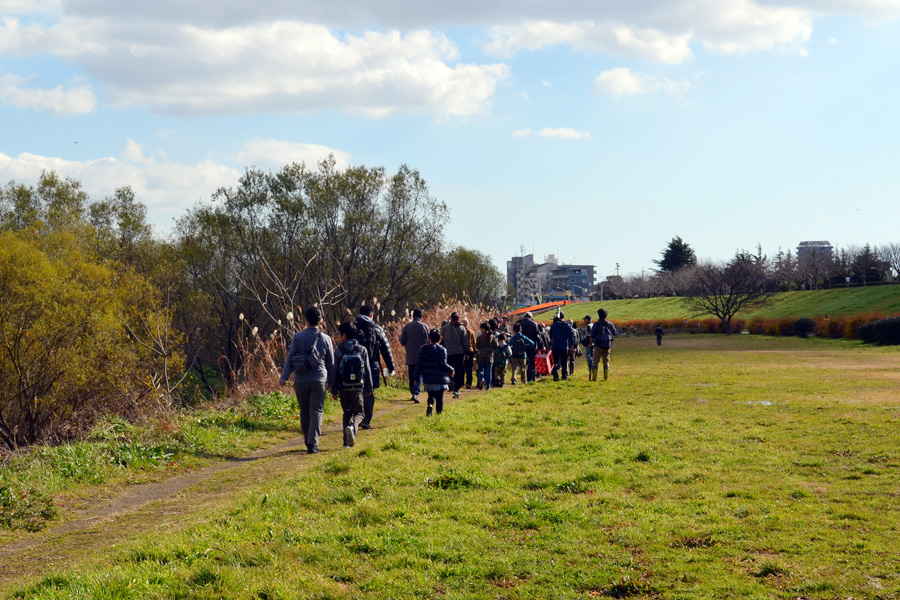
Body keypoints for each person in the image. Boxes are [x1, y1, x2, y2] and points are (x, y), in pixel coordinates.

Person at [279, 306, 334, 453]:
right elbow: (331, 363)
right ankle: (313, 442)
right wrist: (332, 381)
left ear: (306, 320)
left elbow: (290, 358)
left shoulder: (298, 337)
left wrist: (284, 376)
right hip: (319, 380)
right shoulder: (326, 339)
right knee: (317, 410)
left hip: (300, 380)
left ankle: (306, 437)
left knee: (304, 410)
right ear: (320, 320)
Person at [330, 321, 373, 449]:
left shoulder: (339, 351)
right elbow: (367, 370)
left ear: (344, 335)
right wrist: (368, 388)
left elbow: (335, 371)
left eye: (340, 334)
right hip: (357, 388)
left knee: (347, 412)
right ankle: (352, 429)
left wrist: (334, 390)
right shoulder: (362, 349)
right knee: (360, 413)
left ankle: (345, 443)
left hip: (344, 387)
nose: (338, 337)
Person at [355, 304, 395, 429]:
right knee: (369, 392)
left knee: (356, 391)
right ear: (372, 315)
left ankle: (356, 417)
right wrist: (391, 366)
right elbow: (386, 349)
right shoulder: (377, 328)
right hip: (372, 365)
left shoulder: (353, 327)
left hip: (354, 365)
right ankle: (366, 419)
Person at [414, 329, 455, 416]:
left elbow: (418, 365)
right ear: (440, 338)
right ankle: (438, 414)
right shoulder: (442, 350)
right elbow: (443, 364)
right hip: (440, 377)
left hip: (428, 377)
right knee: (439, 397)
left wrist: (416, 378)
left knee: (431, 395)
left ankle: (430, 404)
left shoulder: (423, 349)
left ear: (429, 338)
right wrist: (451, 369)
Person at [399, 308, 429, 403]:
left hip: (410, 355)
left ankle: (413, 392)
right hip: (422, 355)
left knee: (411, 374)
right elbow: (429, 341)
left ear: (413, 316)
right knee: (419, 374)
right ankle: (416, 393)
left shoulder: (407, 327)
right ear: (421, 317)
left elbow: (402, 341)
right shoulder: (425, 326)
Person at [440, 312, 467, 399]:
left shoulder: (446, 327)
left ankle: (450, 381)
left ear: (451, 318)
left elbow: (441, 333)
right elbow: (465, 342)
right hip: (459, 352)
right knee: (459, 370)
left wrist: (448, 322)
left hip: (449, 352)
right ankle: (457, 387)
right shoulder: (462, 328)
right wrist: (466, 352)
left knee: (449, 369)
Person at [590, 308, 618, 381]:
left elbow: (592, 335)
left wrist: (591, 343)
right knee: (606, 361)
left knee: (595, 361)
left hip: (598, 344)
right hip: (607, 344)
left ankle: (594, 377)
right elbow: (614, 332)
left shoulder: (596, 324)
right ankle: (606, 377)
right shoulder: (610, 324)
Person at [549, 313, 575, 381]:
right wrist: (572, 346)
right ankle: (564, 375)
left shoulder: (554, 326)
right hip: (564, 347)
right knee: (564, 361)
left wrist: (551, 344)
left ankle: (555, 375)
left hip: (555, 346)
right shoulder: (568, 326)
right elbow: (571, 337)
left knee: (556, 362)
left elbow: (550, 336)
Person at [518, 312, 540, 383]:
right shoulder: (534, 324)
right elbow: (538, 336)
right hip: (532, 346)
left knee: (523, 362)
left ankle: (524, 377)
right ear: (531, 317)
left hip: (523, 345)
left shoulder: (521, 324)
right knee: (531, 362)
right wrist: (541, 345)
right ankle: (531, 377)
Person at [475, 322, 498, 390]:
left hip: (481, 356)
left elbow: (477, 346)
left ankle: (481, 379)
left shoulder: (480, 338)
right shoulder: (492, 337)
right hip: (490, 357)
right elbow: (496, 345)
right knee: (489, 372)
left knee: (480, 370)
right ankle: (488, 386)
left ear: (483, 329)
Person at [460, 318, 477, 389]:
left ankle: (461, 382)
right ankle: (469, 383)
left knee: (461, 367)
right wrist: (476, 352)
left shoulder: (460, 331)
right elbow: (474, 343)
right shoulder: (471, 332)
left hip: (461, 351)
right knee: (469, 368)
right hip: (470, 351)